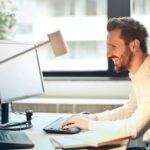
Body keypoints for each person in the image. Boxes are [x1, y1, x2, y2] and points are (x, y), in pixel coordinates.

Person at [63, 17, 150, 149]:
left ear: (134, 45)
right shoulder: (139, 74)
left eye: (113, 47)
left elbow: (134, 128)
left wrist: (88, 124)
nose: (108, 53)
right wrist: (91, 118)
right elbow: (129, 111)